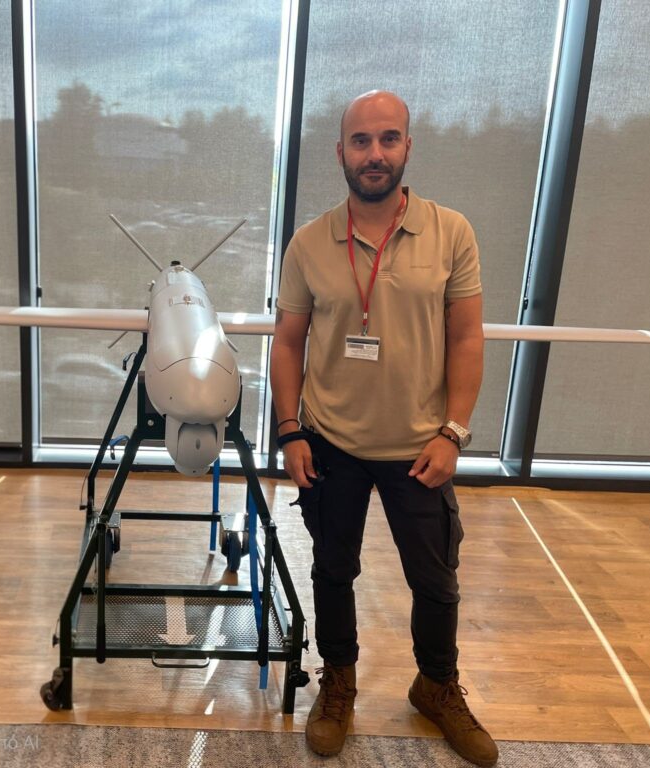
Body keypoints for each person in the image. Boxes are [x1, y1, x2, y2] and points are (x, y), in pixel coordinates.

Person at [270, 90, 497, 768]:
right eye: (362, 141)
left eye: (388, 139)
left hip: (420, 447)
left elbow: (467, 338)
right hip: (331, 443)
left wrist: (453, 433)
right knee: (333, 570)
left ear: (407, 147)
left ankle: (436, 685)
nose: (375, 153)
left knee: (436, 580)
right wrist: (290, 430)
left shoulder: (451, 232)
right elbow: (288, 342)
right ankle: (338, 681)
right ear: (340, 152)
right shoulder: (310, 242)